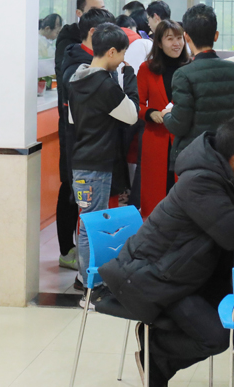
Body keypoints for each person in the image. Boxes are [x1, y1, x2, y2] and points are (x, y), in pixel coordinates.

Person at [99, 116, 234, 387]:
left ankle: (157, 360)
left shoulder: (223, 176)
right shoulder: (202, 182)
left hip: (178, 273)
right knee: (215, 337)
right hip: (149, 277)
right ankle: (155, 349)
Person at [67, 23, 139, 277]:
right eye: (122, 53)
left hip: (81, 162)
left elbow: (73, 120)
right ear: (111, 52)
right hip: (97, 165)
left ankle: (85, 278)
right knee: (93, 226)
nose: (122, 59)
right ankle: (92, 282)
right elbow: (132, 115)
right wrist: (129, 80)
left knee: (86, 222)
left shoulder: (76, 79)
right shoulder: (105, 86)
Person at [56, 7, 116, 272]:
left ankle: (90, 274)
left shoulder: (90, 63)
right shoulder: (79, 68)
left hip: (93, 150)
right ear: (93, 33)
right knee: (88, 218)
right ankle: (86, 277)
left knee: (91, 215)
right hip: (84, 151)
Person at [162, 4, 234, 173]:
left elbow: (179, 125)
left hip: (197, 158)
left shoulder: (183, 75)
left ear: (186, 37)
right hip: (232, 157)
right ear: (216, 36)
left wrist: (167, 115)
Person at [135, 20, 190, 217]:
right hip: (156, 140)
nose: (176, 43)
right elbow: (137, 104)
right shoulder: (146, 68)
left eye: (179, 38)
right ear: (159, 42)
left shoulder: (190, 67)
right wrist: (151, 113)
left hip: (184, 140)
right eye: (170, 39)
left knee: (183, 195)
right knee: (156, 195)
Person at [38, 13, 63, 79]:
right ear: (47, 29)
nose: (57, 35)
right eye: (57, 33)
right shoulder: (38, 41)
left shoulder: (48, 43)